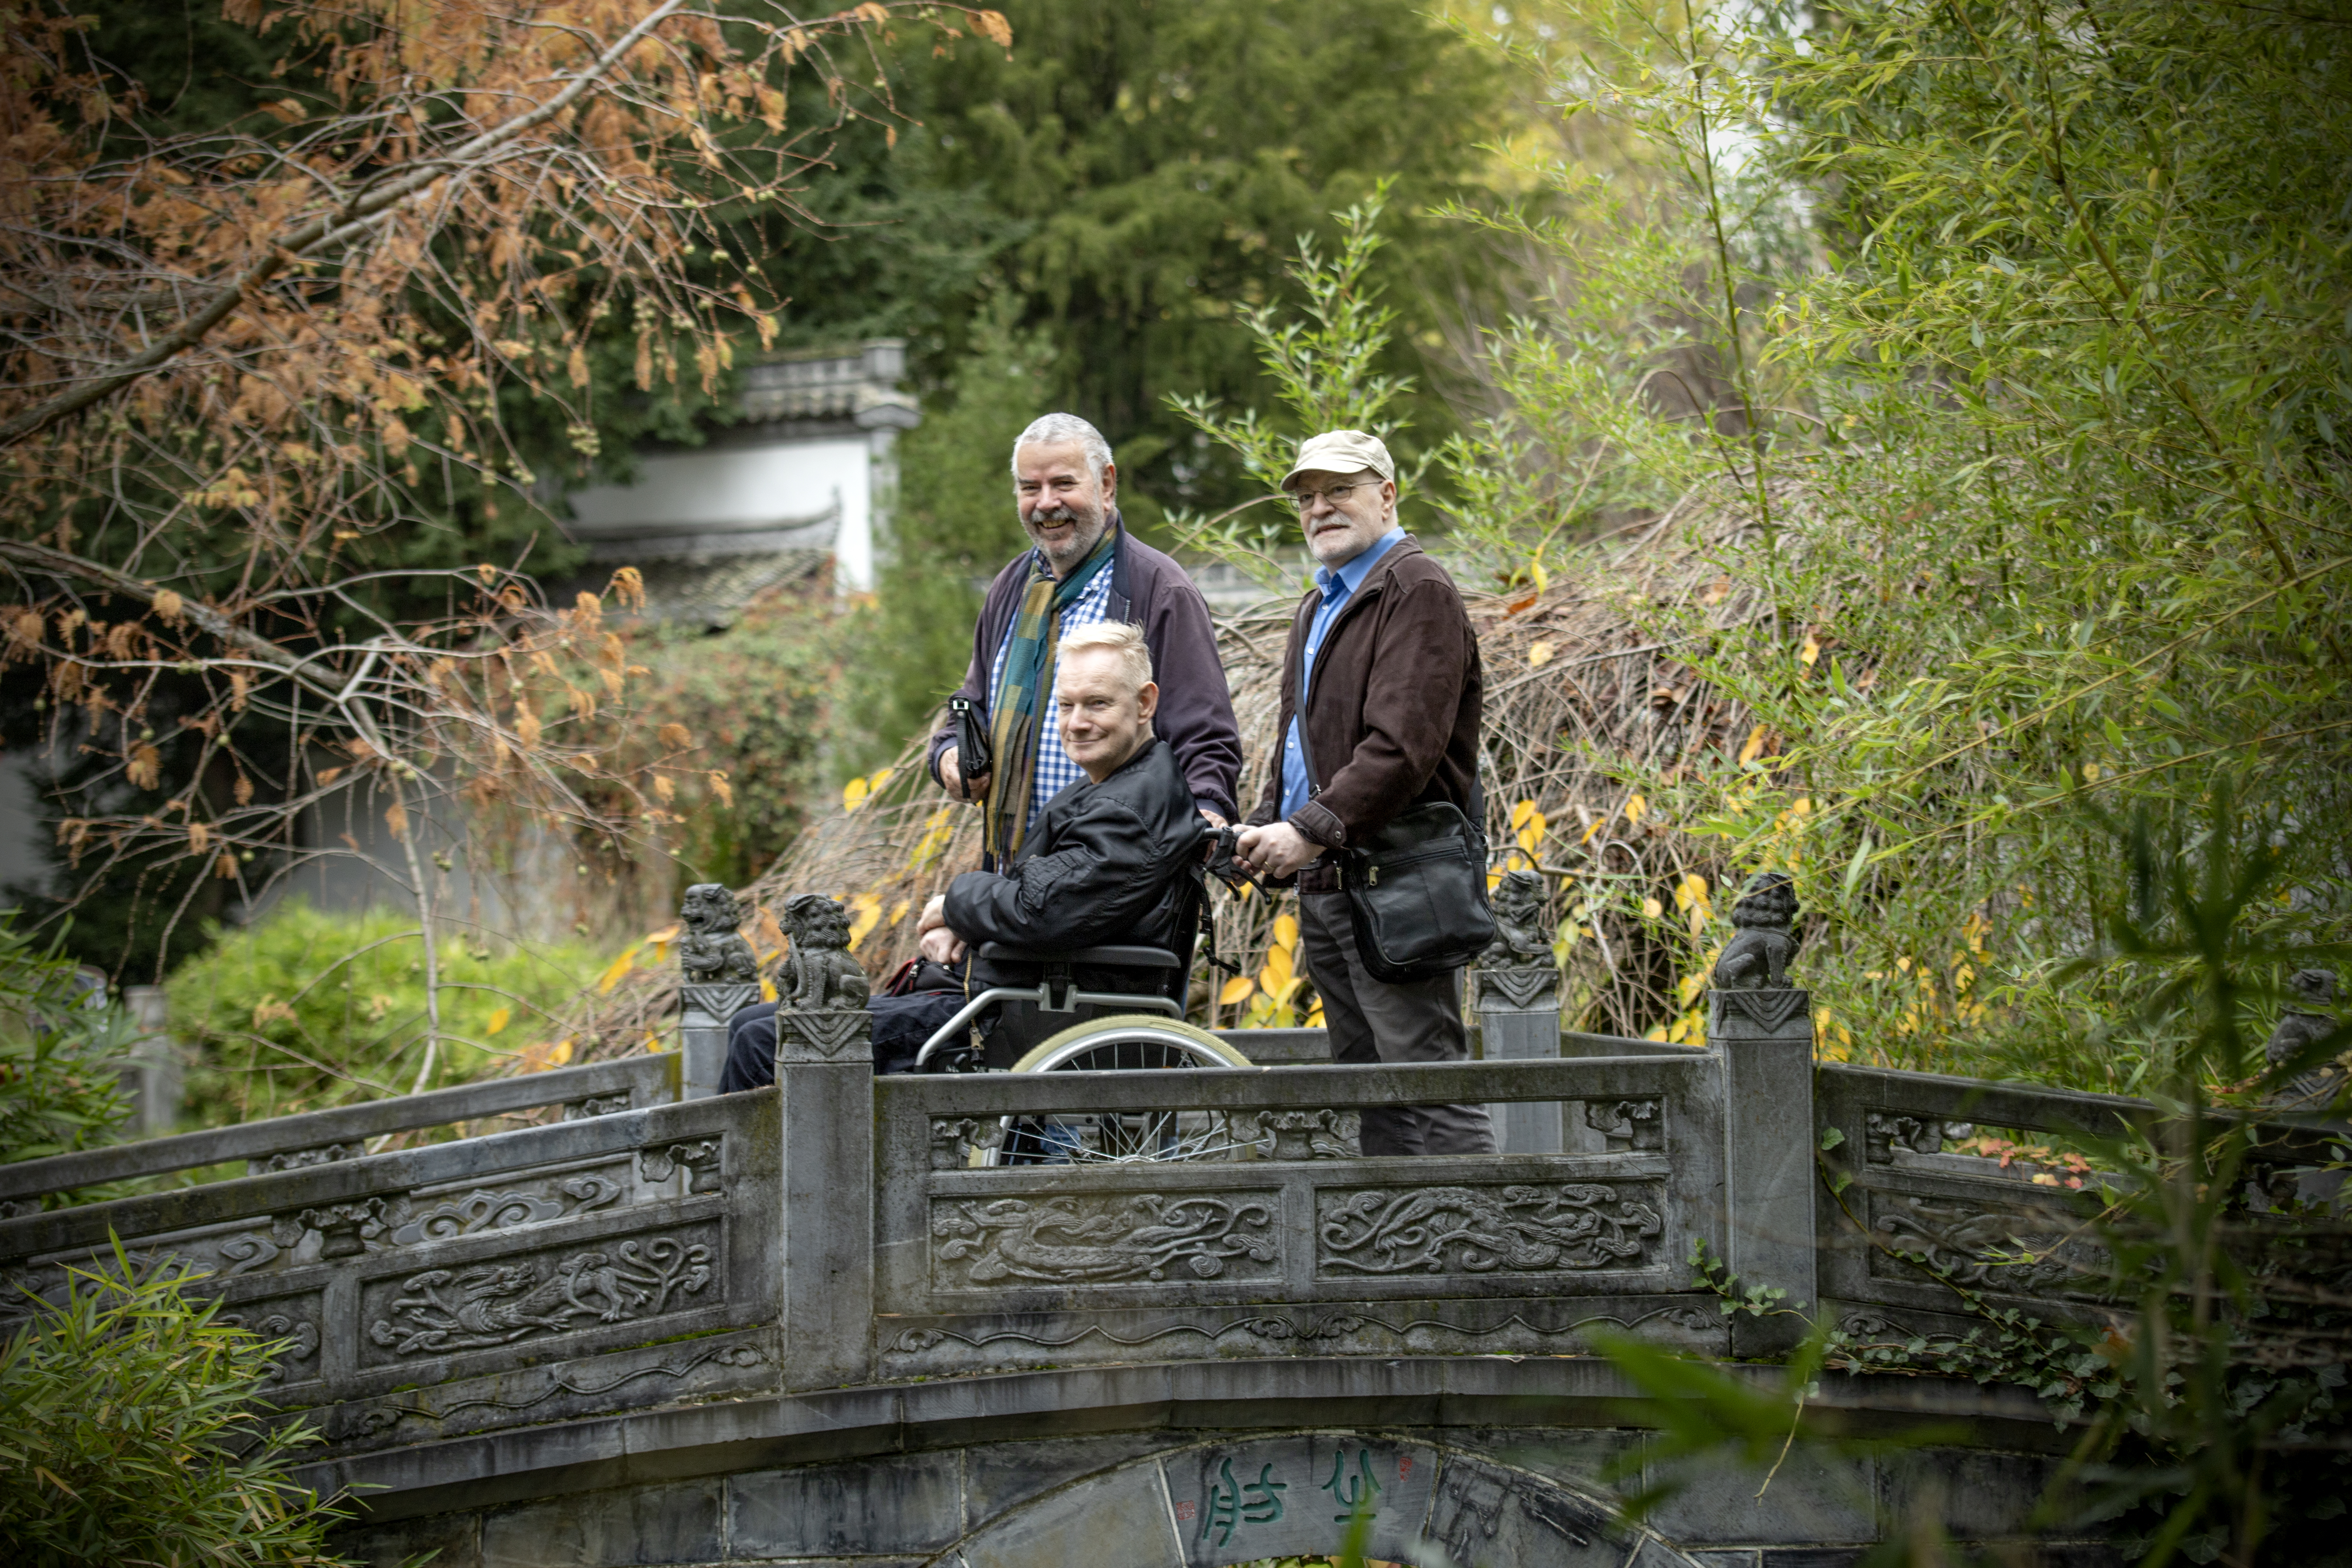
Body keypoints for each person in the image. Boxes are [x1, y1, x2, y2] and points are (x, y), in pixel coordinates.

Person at [719, 623, 1201, 1088]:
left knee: (763, 1040)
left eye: (1097, 704)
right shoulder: (1120, 787)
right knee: (749, 1022)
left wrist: (954, 904)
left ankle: (760, 1174)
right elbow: (1053, 895)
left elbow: (1041, 908)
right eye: (1066, 705)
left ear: (1144, 703)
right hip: (1012, 992)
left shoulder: (1128, 810)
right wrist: (965, 922)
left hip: (1016, 1012)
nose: (1077, 722)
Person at [1232, 430, 1496, 1157]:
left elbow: (1402, 748)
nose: (1320, 508)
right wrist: (1264, 828)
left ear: (1387, 494)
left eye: (1339, 490)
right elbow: (1303, 748)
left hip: (1399, 881)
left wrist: (1309, 828)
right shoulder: (1320, 604)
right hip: (1331, 880)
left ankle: (1479, 1259)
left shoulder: (1417, 590)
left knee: (1430, 1090)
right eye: (1307, 497)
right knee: (1370, 1094)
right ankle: (1399, 1263)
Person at [929, 412, 1240, 862]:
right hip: (1012, 877)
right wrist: (951, 755)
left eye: (1064, 484)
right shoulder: (1012, 588)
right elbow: (971, 706)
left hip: (1113, 875)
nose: (1046, 503)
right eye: (1030, 488)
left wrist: (1205, 815)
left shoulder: (1159, 591)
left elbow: (1205, 736)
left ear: (1107, 485)